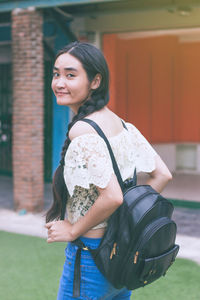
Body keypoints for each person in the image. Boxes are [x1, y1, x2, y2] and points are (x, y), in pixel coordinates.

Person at [45, 41, 172, 300]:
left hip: (92, 255)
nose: (59, 82)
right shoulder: (121, 124)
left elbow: (113, 196)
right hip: (124, 252)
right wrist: (127, 223)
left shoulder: (83, 129)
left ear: (95, 81)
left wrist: (72, 230)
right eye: (56, 74)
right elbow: (162, 175)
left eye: (70, 75)